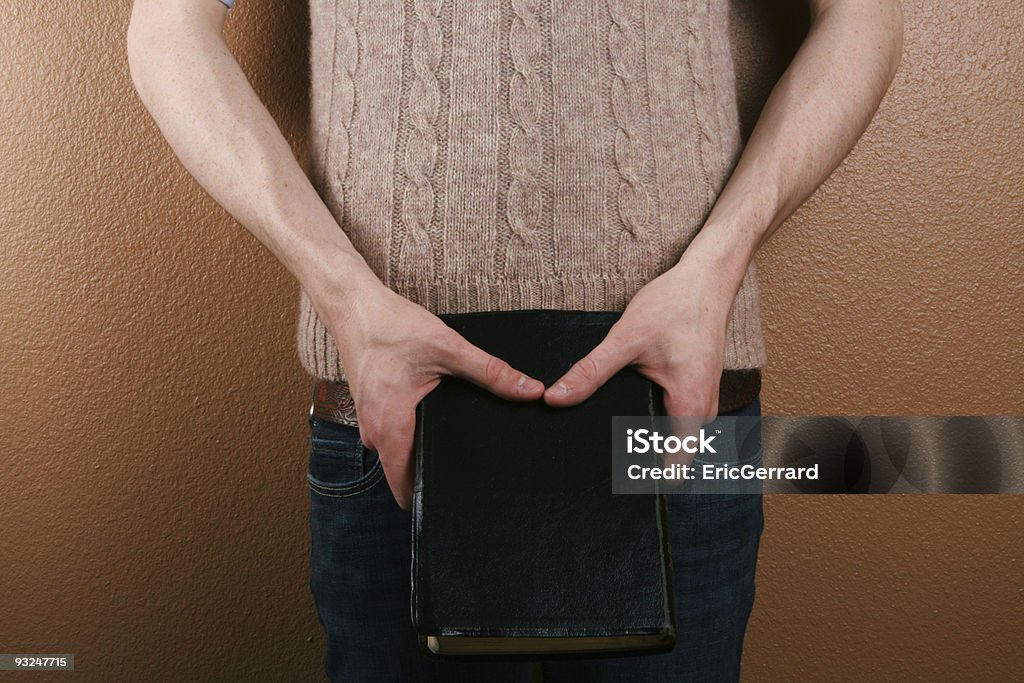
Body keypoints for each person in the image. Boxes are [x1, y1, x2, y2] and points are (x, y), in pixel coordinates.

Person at [126, 0, 902, 680]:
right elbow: (167, 29)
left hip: (676, 416)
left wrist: (721, 263)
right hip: (400, 420)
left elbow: (863, 14)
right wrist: (346, 298)